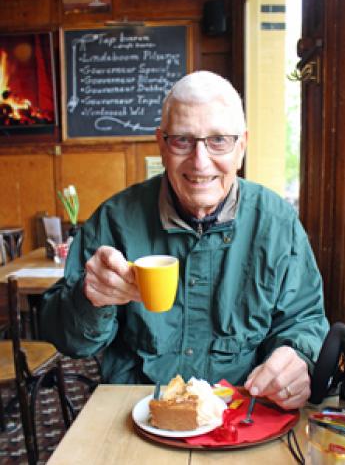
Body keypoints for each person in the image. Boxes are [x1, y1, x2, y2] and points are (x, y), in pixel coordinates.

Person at [40, 70, 329, 410]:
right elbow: (64, 338)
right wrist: (91, 300)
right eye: (182, 140)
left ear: (242, 146)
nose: (200, 161)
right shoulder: (115, 220)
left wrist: (295, 357)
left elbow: (305, 320)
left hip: (243, 413)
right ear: (161, 144)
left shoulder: (278, 223)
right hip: (139, 413)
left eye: (218, 140)